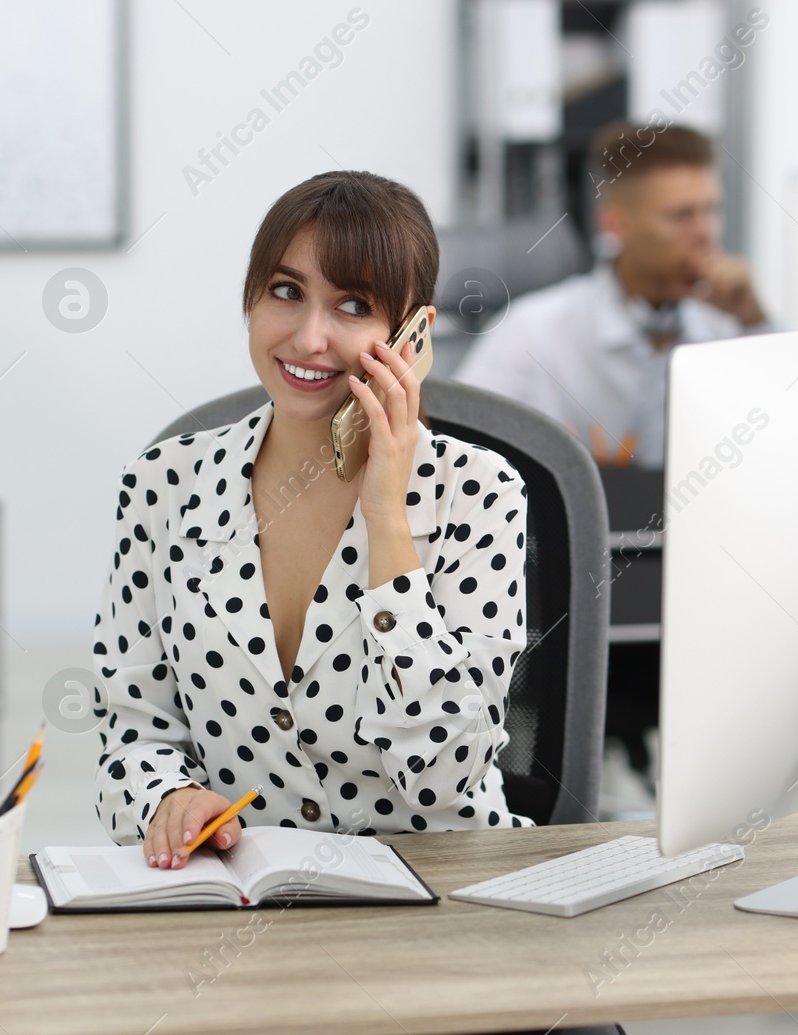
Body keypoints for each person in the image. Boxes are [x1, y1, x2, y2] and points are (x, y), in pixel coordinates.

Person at [92, 170, 534, 871]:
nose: (309, 336)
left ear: (413, 332)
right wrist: (166, 797)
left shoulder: (478, 492)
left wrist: (387, 516)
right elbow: (132, 732)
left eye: (353, 304)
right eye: (286, 291)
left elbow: (446, 773)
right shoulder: (165, 484)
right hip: (240, 899)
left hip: (443, 897)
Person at [454, 121, 773, 470]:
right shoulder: (536, 330)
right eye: (682, 215)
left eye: (712, 210)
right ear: (616, 224)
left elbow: (791, 439)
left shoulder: (731, 325)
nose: (706, 233)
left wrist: (755, 322)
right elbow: (455, 452)